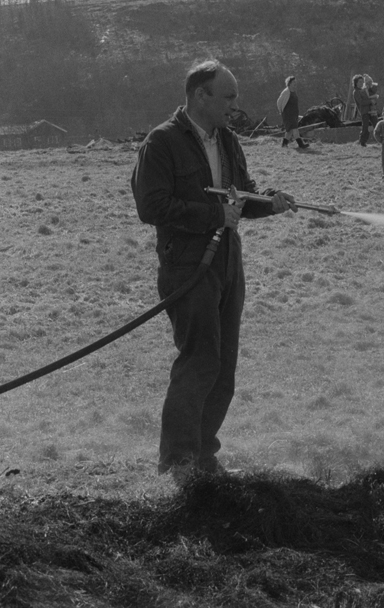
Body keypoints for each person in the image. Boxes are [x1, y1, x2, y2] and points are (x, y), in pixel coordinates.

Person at [131, 60, 296, 480]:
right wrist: (212, 215)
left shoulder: (228, 141)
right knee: (200, 360)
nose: (234, 105)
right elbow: (151, 207)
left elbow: (240, 197)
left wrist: (270, 202)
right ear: (200, 96)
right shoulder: (161, 143)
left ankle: (204, 456)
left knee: (223, 367)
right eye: (227, 97)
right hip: (188, 266)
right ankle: (178, 462)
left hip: (226, 264)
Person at [276, 75, 308, 149]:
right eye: (293, 82)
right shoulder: (286, 92)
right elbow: (279, 102)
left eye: (295, 82)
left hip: (293, 114)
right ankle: (301, 145)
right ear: (289, 83)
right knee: (295, 130)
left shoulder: (294, 92)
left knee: (289, 131)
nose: (295, 83)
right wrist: (281, 111)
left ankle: (284, 145)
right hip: (288, 115)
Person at [352, 74, 378, 147]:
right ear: (356, 83)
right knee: (365, 127)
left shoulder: (364, 90)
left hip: (372, 110)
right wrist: (370, 101)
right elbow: (361, 102)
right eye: (359, 82)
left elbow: (372, 93)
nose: (361, 83)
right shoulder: (356, 92)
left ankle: (382, 140)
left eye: (362, 82)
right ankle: (362, 142)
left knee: (377, 124)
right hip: (364, 112)